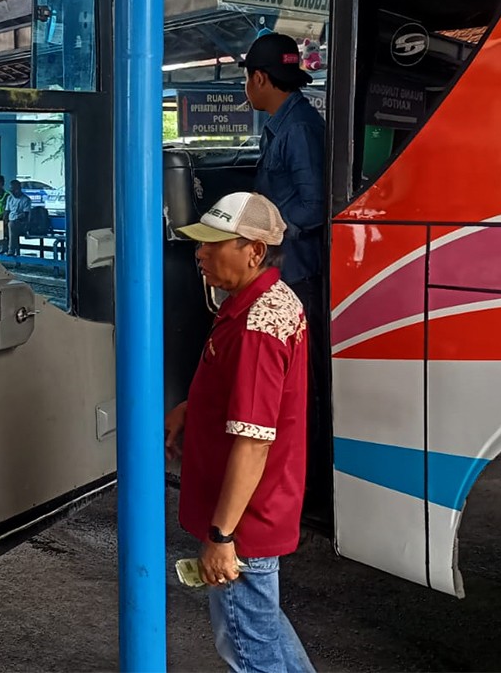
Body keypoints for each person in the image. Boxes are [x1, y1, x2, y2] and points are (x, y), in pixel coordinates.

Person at [166, 191, 314, 673]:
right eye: (200, 244)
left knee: (249, 653)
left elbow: (253, 442)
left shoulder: (256, 325)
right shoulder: (266, 299)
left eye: (214, 244)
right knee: (264, 628)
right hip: (260, 511)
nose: (200, 253)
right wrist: (195, 407)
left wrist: (222, 536)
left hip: (244, 522)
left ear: (253, 251)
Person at [239, 32, 325, 302]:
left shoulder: (297, 128)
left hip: (298, 272)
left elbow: (315, 206)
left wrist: (266, 229)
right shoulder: (283, 125)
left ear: (259, 78)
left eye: (246, 79)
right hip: (285, 267)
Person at [4, 180, 32, 256]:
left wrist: (17, 218)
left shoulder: (26, 199)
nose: (12, 192)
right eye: (11, 190)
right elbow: (7, 211)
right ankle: (2, 246)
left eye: (14, 190)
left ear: (19, 189)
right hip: (10, 221)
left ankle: (11, 249)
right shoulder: (9, 198)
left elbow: (26, 216)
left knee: (12, 225)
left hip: (20, 224)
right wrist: (4, 221)